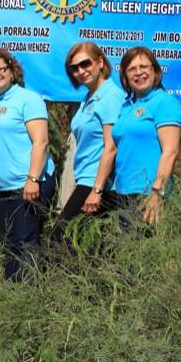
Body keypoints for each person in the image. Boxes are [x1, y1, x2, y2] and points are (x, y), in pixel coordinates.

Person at [0, 48, 55, 281]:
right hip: (0, 188)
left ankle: (28, 301)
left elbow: (41, 141)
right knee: (10, 244)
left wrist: (33, 179)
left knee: (27, 243)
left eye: (0, 69)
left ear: (12, 70)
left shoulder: (28, 99)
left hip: (28, 184)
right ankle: (12, 296)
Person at [110, 46, 181, 225]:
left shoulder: (165, 102)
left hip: (148, 194)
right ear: (125, 76)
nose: (138, 72)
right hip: (123, 192)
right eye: (132, 69)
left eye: (144, 67)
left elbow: (170, 151)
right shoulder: (127, 106)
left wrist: (158, 192)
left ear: (155, 70)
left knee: (144, 250)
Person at [56, 42, 123, 228]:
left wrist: (97, 189)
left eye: (86, 63)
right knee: (84, 249)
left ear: (100, 62)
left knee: (59, 241)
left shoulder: (110, 96)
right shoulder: (89, 97)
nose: (81, 71)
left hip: (97, 183)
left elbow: (111, 146)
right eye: (74, 68)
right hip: (85, 180)